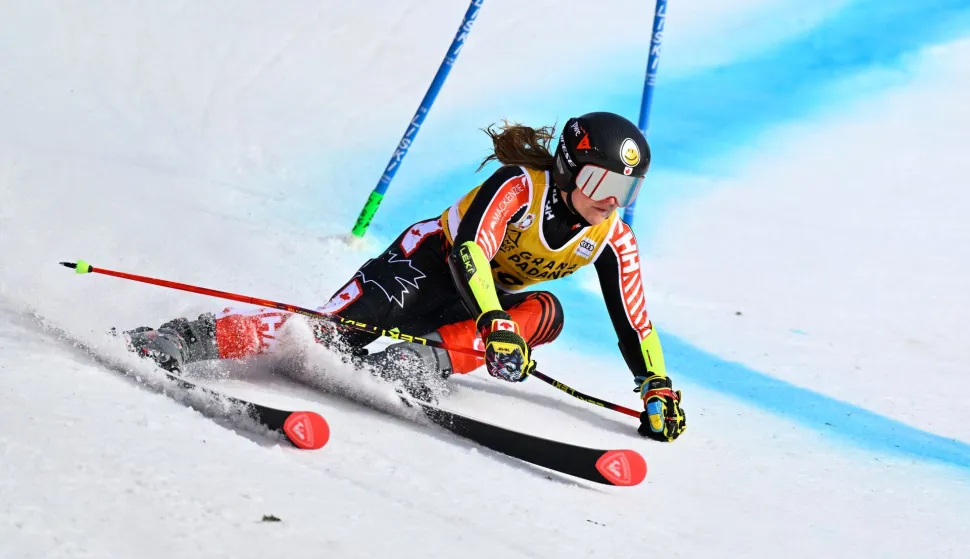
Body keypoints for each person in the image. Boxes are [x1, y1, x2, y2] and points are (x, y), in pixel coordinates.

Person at [125, 111, 687, 442]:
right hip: (423, 269)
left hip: (475, 307)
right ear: (567, 168)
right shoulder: (519, 187)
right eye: (599, 183)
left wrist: (656, 386)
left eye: (624, 191)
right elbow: (469, 252)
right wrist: (494, 322)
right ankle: (186, 337)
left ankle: (418, 362)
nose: (609, 201)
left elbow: (634, 323)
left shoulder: (613, 237)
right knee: (321, 336)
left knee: (547, 314)